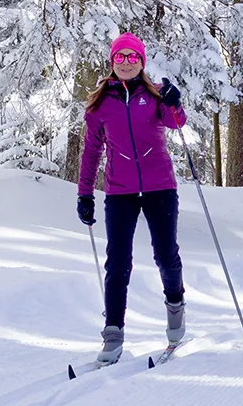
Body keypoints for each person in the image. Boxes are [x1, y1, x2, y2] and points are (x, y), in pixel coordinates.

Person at [76, 32, 187, 365]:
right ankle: (112, 333)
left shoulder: (154, 96)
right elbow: (92, 151)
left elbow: (176, 122)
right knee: (118, 261)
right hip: (120, 191)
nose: (126, 62)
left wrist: (174, 101)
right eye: (120, 57)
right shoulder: (100, 104)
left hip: (160, 188)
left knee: (166, 256)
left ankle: (176, 307)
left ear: (141, 62)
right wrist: (84, 193)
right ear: (112, 62)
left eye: (132, 57)